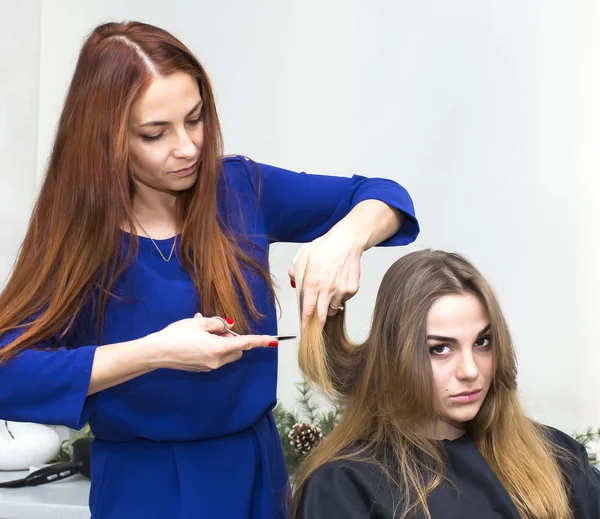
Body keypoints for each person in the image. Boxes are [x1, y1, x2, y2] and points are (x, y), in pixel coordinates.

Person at [0, 21, 419, 519]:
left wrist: (346, 239)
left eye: (195, 119)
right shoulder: (77, 236)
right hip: (145, 488)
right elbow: (10, 374)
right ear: (105, 139)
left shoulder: (239, 188)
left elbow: (386, 196)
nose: (188, 148)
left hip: (258, 473)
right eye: (155, 133)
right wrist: (155, 353)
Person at [293, 250, 600, 519]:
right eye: (440, 348)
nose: (469, 370)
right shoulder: (345, 485)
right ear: (395, 356)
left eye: (482, 342)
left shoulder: (555, 454)